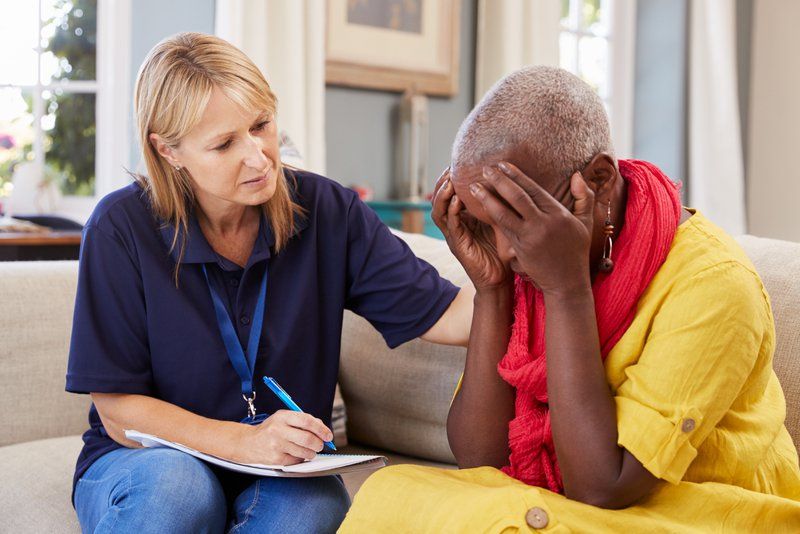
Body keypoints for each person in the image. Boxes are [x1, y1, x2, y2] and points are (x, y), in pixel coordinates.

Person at [340, 66, 800, 532]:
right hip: (584, 506)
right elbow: (479, 459)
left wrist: (565, 289)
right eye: (485, 223)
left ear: (598, 177)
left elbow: (604, 485)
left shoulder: (714, 283)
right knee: (394, 495)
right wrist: (493, 290)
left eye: (518, 215)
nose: (504, 248)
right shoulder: (528, 256)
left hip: (702, 512)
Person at [65, 32, 472, 534]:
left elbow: (449, 315)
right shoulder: (119, 228)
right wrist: (241, 442)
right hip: (150, 461)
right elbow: (118, 411)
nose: (259, 158)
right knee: (181, 490)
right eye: (224, 144)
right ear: (168, 150)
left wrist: (534, 273)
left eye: (262, 125)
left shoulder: (328, 212)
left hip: (282, 468)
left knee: (311, 509)